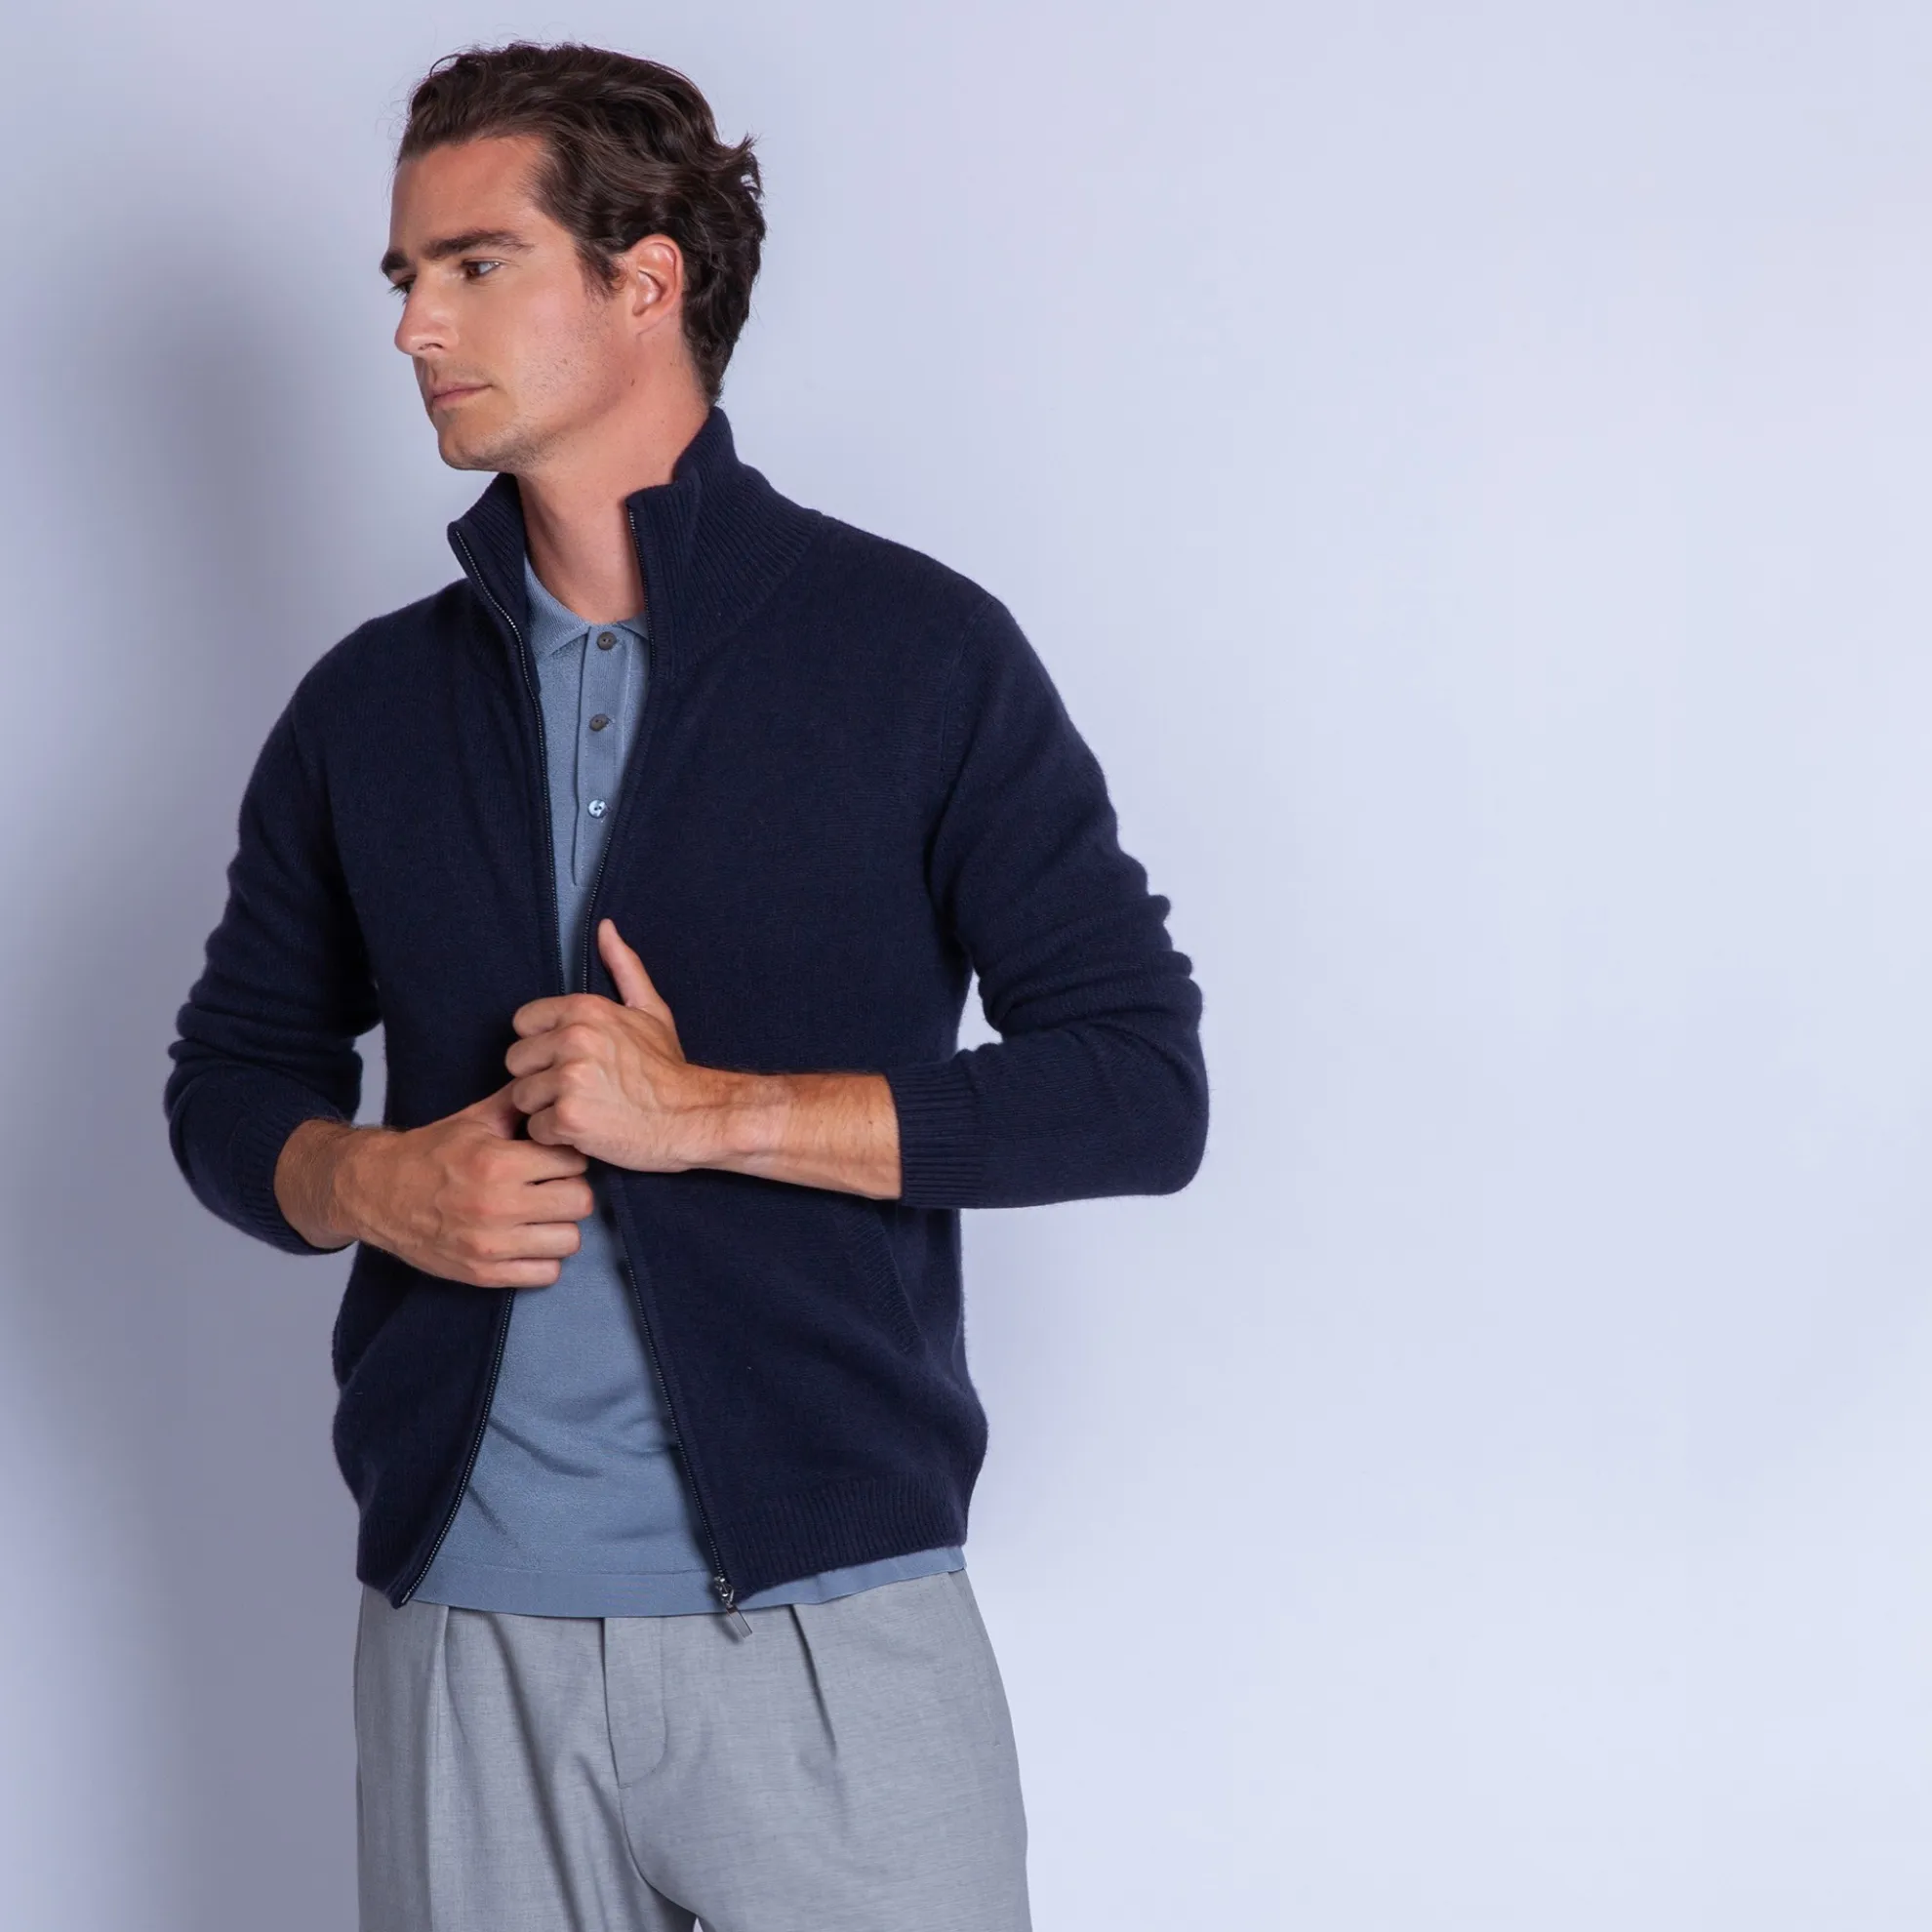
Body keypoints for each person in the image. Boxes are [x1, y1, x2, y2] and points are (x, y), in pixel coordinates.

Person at [165, 39, 1207, 1932]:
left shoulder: (914, 655)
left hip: (834, 1637)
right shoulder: (367, 710)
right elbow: (230, 1079)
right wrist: (370, 1180)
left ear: (644, 281)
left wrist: (711, 1113)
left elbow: (1135, 1086)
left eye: (474, 264)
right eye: (403, 276)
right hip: (465, 1633)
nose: (413, 326)